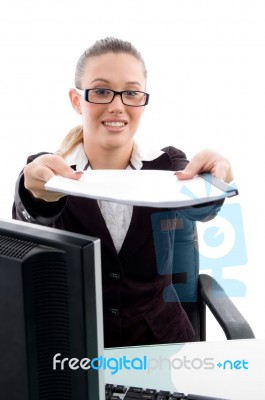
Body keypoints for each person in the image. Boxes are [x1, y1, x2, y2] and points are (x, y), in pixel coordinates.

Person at [13, 37, 233, 348]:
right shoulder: (51, 170)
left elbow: (201, 207)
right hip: (74, 347)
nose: (117, 106)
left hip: (162, 345)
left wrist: (214, 178)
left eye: (131, 92)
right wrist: (31, 189)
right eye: (101, 91)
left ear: (143, 99)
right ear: (77, 101)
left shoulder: (167, 164)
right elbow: (31, 212)